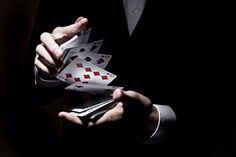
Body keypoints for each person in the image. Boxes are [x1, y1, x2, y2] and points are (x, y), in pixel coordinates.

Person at [30, 0, 235, 157]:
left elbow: (222, 106)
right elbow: (28, 90)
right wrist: (49, 70)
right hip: (84, 148)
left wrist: (155, 120)